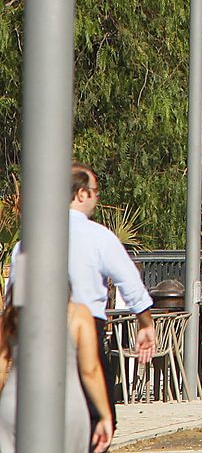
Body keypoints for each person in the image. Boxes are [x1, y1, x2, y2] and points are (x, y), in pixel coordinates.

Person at [10, 163, 157, 425]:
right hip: (85, 331)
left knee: (41, 421)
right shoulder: (100, 237)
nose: (97, 199)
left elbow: (15, 296)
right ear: (80, 194)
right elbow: (130, 282)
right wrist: (145, 322)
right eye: (95, 191)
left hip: (34, 336)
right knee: (93, 419)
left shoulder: (27, 241)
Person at [0, 256, 114, 453]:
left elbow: (1, 367)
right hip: (66, 406)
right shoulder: (79, 315)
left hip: (15, 405)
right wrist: (105, 415)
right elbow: (90, 370)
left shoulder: (11, 316)